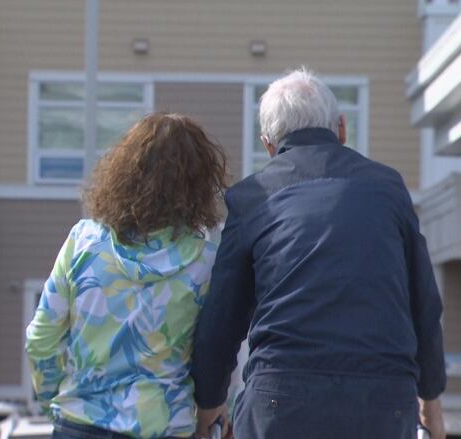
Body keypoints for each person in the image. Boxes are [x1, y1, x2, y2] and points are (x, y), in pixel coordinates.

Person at [190, 69, 447, 439]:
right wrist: (431, 402)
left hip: (281, 398)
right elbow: (424, 301)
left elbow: (223, 316)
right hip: (382, 400)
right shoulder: (389, 189)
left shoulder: (252, 198)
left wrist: (209, 405)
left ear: (268, 144)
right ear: (341, 129)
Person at [25, 112, 229, 439]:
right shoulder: (206, 261)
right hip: (164, 426)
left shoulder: (84, 242)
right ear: (200, 182)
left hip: (81, 424)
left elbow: (42, 338)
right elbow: (211, 350)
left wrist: (55, 400)